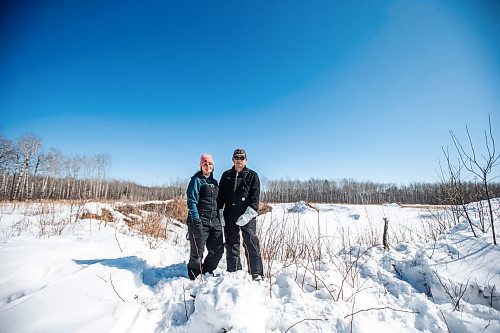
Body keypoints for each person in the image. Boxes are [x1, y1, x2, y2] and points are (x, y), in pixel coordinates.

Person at [218, 148, 264, 281]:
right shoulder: (226, 175)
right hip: (229, 214)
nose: (239, 161)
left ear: (246, 159)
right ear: (233, 159)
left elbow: (255, 199)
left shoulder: (252, 176)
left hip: (247, 214)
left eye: (241, 158)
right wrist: (220, 211)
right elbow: (220, 196)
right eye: (237, 158)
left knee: (250, 242)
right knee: (232, 243)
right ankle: (234, 272)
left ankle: (256, 274)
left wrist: (248, 215)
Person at [186, 154, 224, 280]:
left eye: (210, 164)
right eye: (205, 164)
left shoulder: (214, 182)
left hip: (214, 220)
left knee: (218, 250)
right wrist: (196, 220)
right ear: (201, 166)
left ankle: (207, 271)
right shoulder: (196, 181)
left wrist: (220, 218)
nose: (208, 166)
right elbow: (191, 201)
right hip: (200, 220)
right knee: (197, 253)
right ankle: (194, 274)